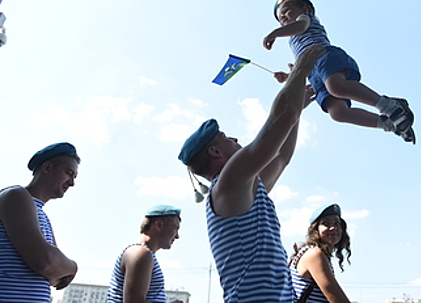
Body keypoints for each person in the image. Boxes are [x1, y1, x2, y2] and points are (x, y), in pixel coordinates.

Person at [177, 45, 326, 303]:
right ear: (214, 151)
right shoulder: (228, 181)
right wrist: (300, 70)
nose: (235, 138)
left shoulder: (241, 188)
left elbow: (281, 156)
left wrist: (297, 109)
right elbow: (280, 120)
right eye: (226, 138)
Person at [263, 0, 416, 144]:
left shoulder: (305, 19)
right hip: (313, 72)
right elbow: (302, 63)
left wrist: (274, 33)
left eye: (286, 11)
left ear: (305, 9)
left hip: (323, 55)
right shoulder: (292, 39)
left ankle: (390, 105)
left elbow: (300, 26)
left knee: (336, 86)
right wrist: (289, 76)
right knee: (338, 113)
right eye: (280, 18)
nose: (282, 17)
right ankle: (389, 124)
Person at [0, 142, 80, 303]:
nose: (72, 183)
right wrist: (73, 267)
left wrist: (59, 267)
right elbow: (45, 262)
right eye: (68, 173)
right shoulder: (15, 196)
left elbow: (56, 278)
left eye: (74, 177)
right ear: (47, 167)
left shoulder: (41, 216)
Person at [107, 205, 183, 303]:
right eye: (175, 229)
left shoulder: (144, 253)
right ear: (159, 225)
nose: (177, 236)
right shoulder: (140, 253)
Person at [290, 203, 351, 303]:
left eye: (337, 223)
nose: (333, 228)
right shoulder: (314, 254)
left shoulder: (319, 255)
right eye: (326, 223)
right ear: (315, 230)